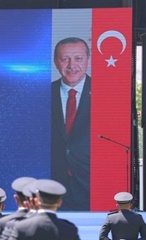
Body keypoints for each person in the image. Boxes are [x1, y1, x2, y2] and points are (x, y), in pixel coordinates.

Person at [50, 37, 91, 210]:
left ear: (88, 60)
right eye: (65, 58)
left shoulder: (107, 92)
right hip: (50, 188)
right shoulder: (42, 93)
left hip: (92, 186)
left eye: (78, 58)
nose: (71, 65)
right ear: (55, 62)